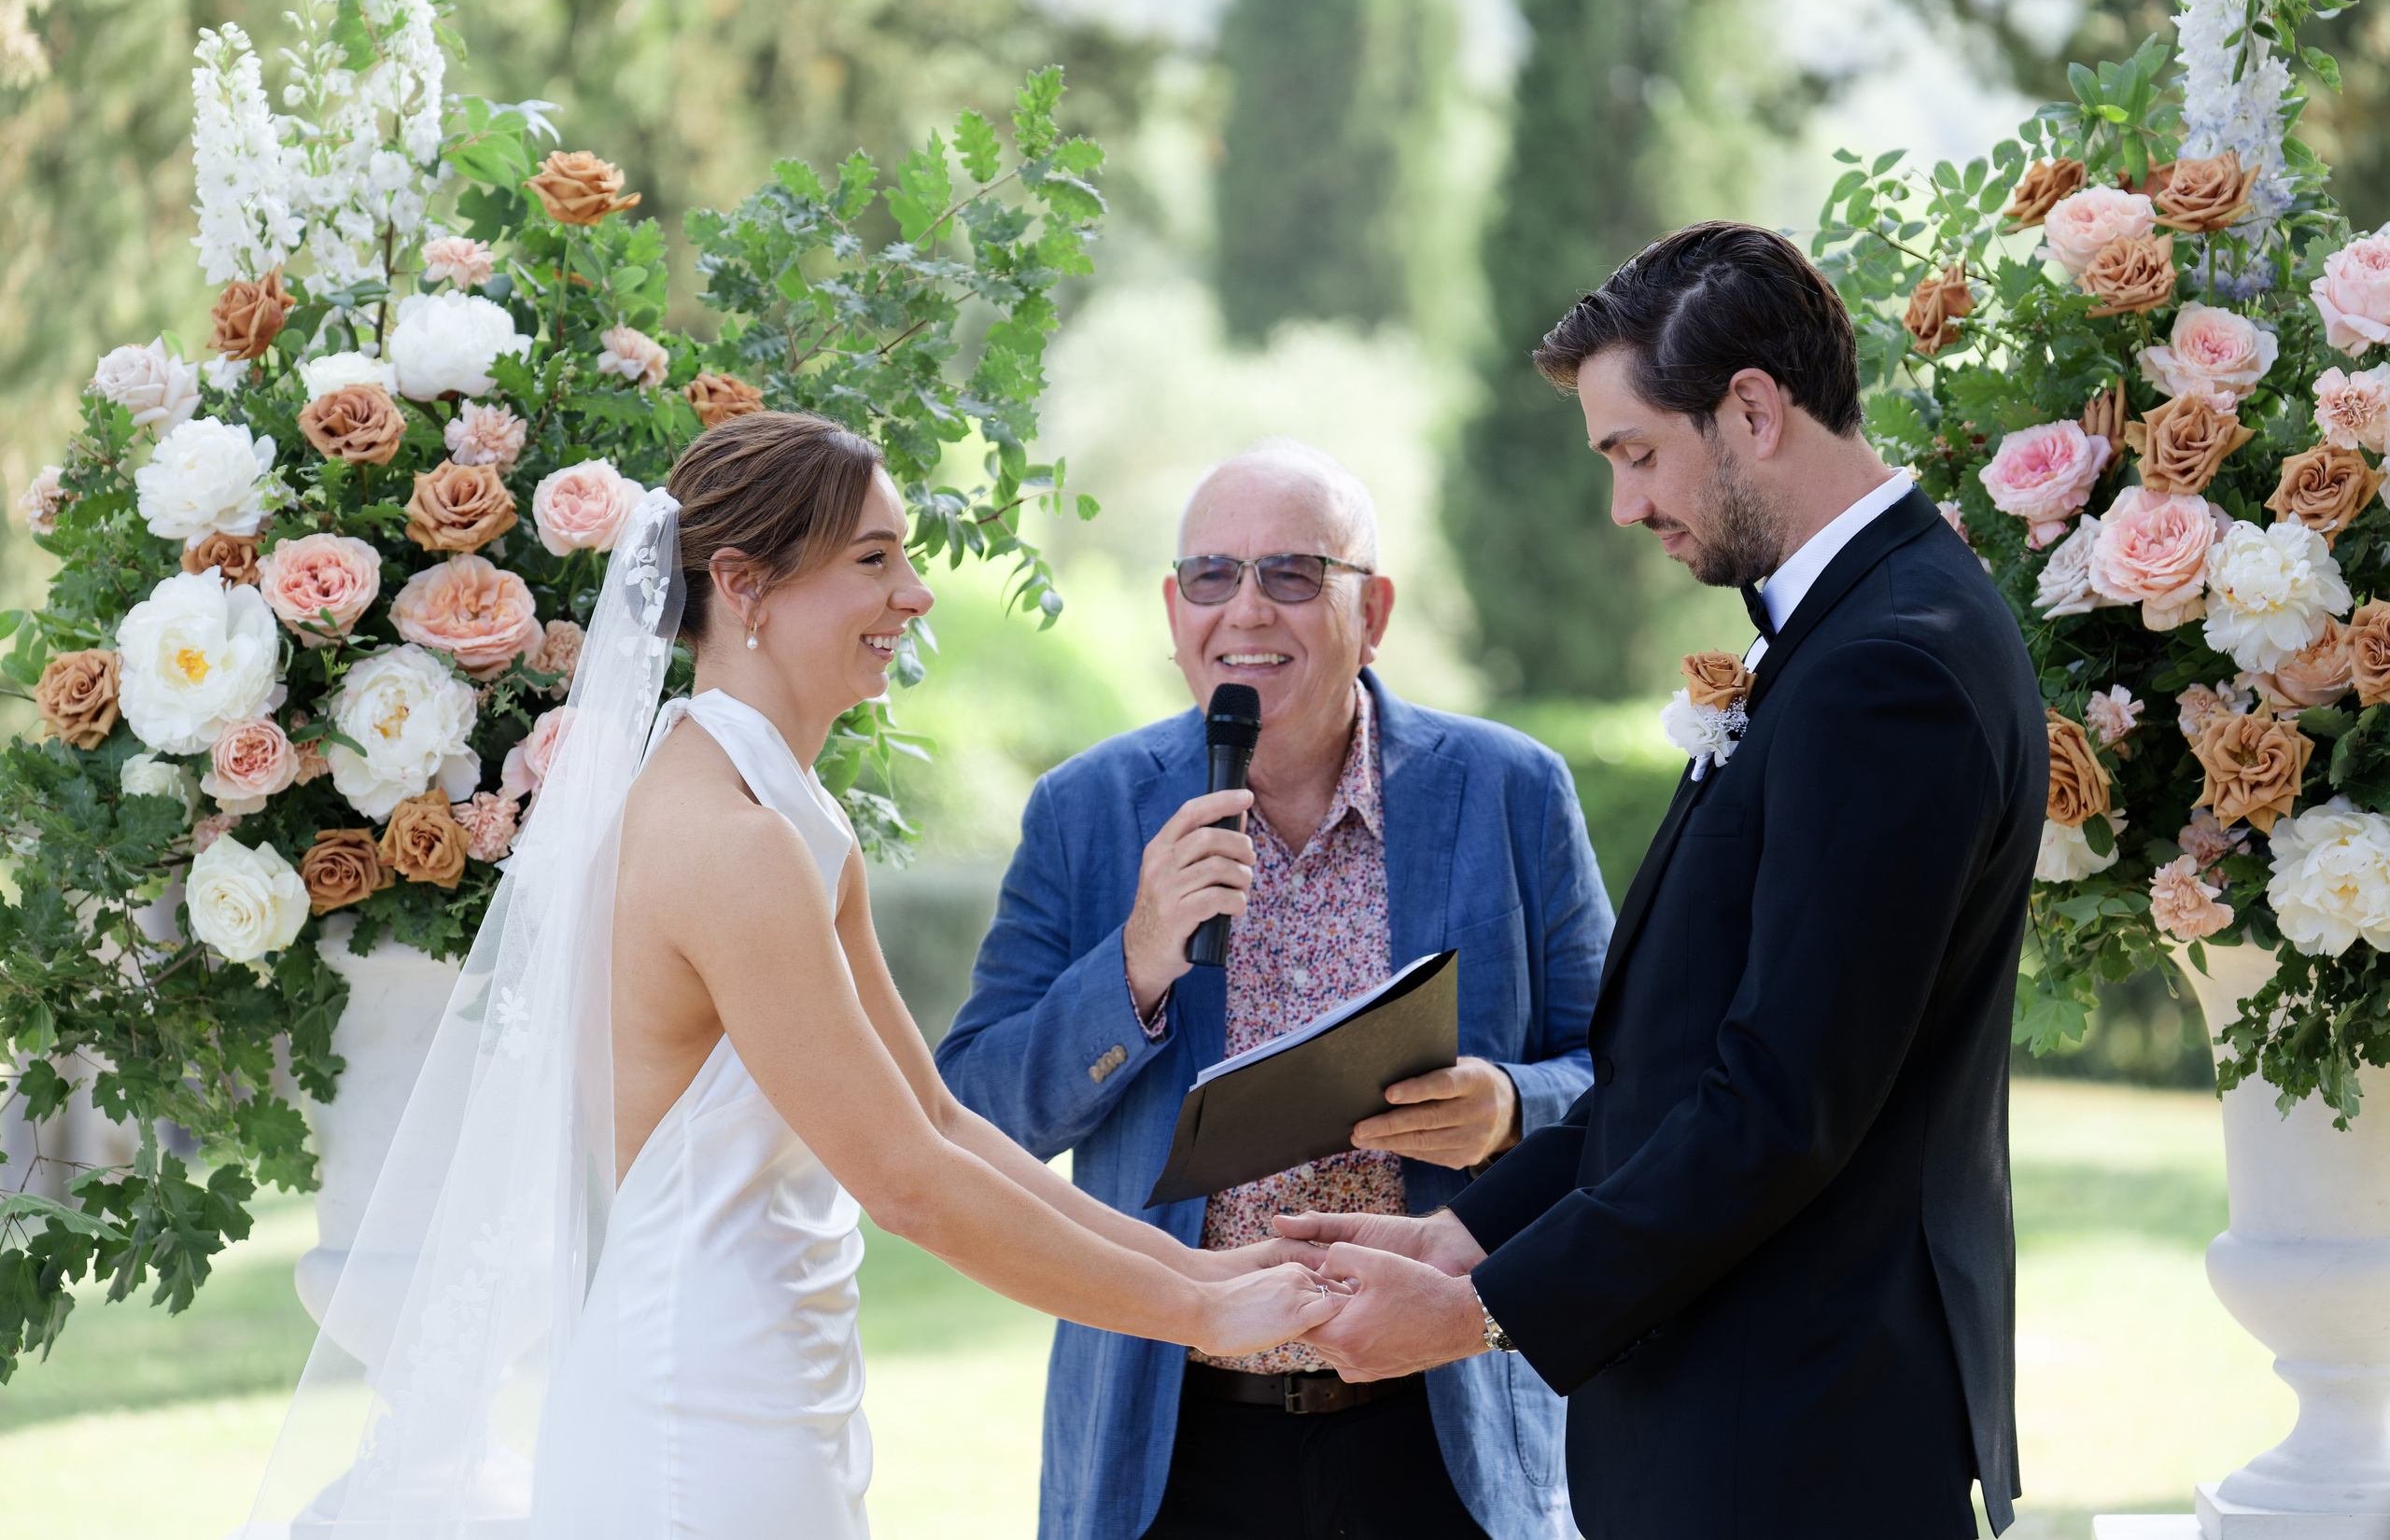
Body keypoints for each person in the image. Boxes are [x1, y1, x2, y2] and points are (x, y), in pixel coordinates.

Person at [240, 413, 1346, 1539]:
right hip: (699, 1412)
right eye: (874, 560)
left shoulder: (793, 817)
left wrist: (1204, 1271)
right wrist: (1196, 1317)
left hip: (776, 1385)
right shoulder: (728, 839)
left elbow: (940, 1123)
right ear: (745, 585)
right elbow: (906, 1182)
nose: (914, 595)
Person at [1278, 223, 2043, 1539]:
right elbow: (1680, 1066)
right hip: (1750, 1420)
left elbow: (1780, 1104)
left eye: (1636, 452)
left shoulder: (1887, 668)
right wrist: (1467, 1236)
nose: (1624, 505)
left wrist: (1475, 1311)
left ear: (1751, 408)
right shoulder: (1850, 632)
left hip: (1797, 1441)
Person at [936, 439, 1611, 1540]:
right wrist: (1137, 962)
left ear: (1374, 609)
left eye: (1291, 575)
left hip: (1440, 1431)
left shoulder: (1510, 791)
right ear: (1173, 611)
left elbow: (1628, 1075)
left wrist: (1507, 1109)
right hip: (1172, 1435)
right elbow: (977, 1112)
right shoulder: (1086, 810)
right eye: (1212, 576)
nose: (1245, 611)